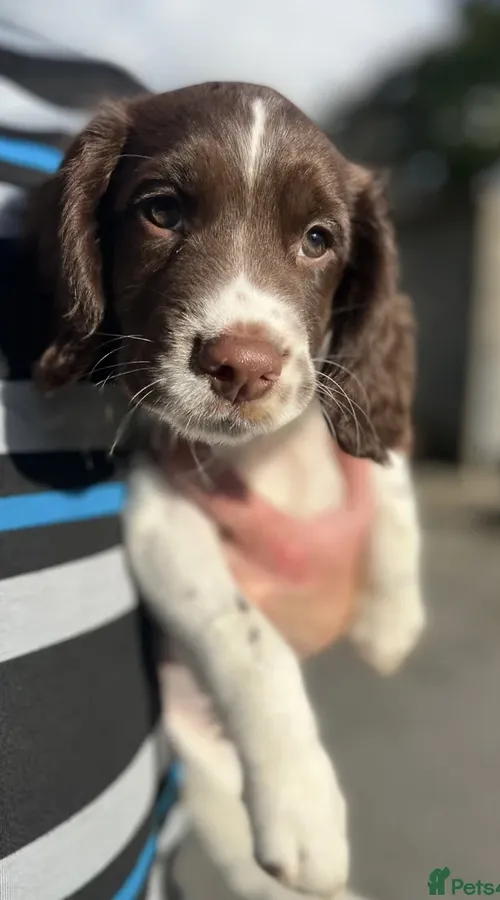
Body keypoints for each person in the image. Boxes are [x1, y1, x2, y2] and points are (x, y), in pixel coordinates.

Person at [0, 20, 374, 900]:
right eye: (164, 210)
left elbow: (330, 572)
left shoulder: (100, 84)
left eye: (315, 239)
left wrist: (347, 568)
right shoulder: (106, 152)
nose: (245, 339)